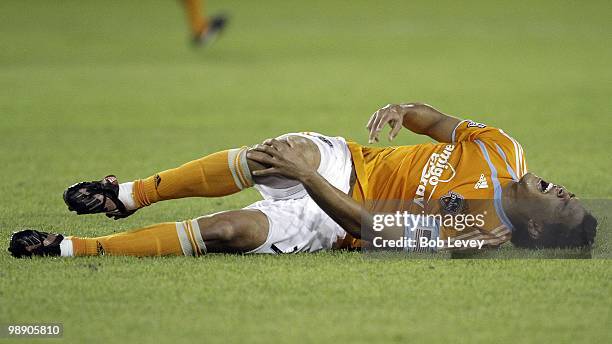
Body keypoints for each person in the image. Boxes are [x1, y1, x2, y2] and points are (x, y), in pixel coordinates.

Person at [8, 103, 597, 258]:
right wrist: (404, 111)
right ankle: (130, 194)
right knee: (279, 152)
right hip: (345, 161)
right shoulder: (502, 148)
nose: (566, 191)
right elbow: (434, 118)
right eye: (570, 194)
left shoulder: (481, 228)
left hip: (334, 217)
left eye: (566, 208)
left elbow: (366, 226)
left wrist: (305, 181)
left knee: (233, 230)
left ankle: (67, 247)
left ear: (539, 234)